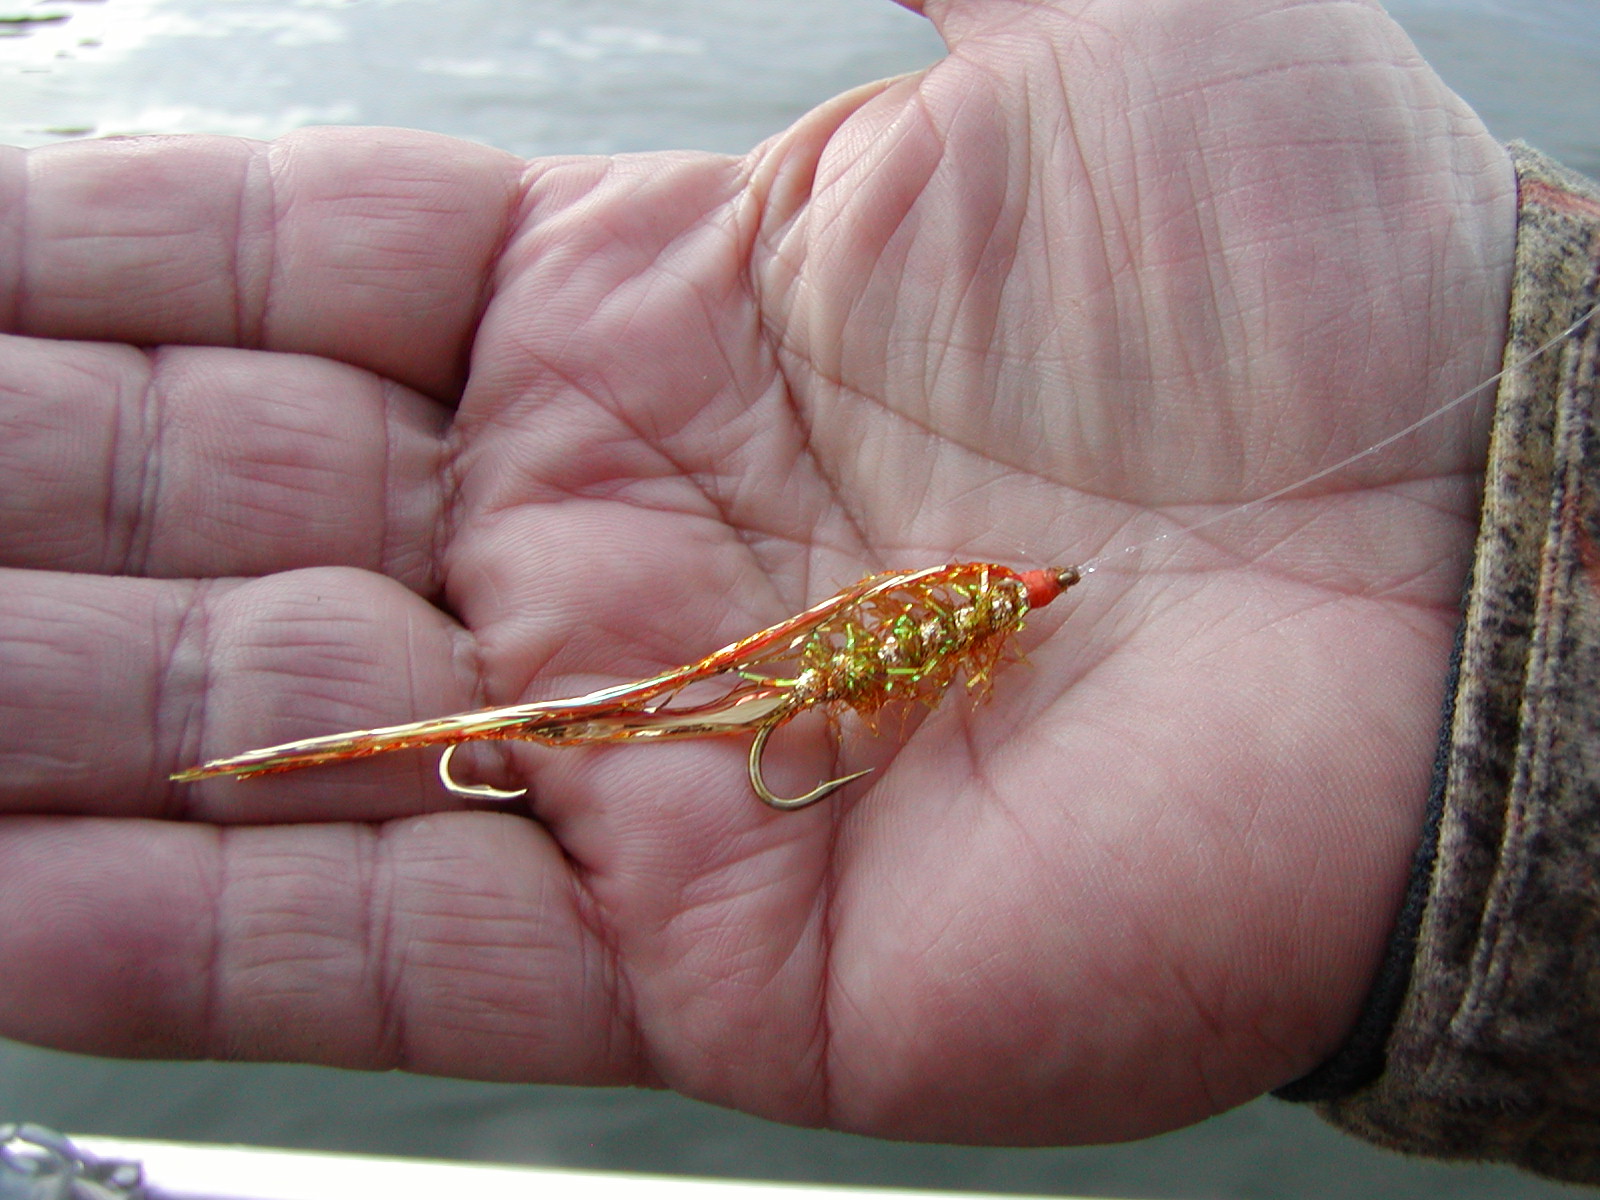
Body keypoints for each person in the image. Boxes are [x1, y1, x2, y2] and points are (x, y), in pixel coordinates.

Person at [0, 0, 1595, 1181]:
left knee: (616, 720)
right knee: (606, 716)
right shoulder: (966, 611)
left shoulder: (979, 617)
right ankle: (301, 750)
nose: (1041, 594)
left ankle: (307, 749)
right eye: (1033, 588)